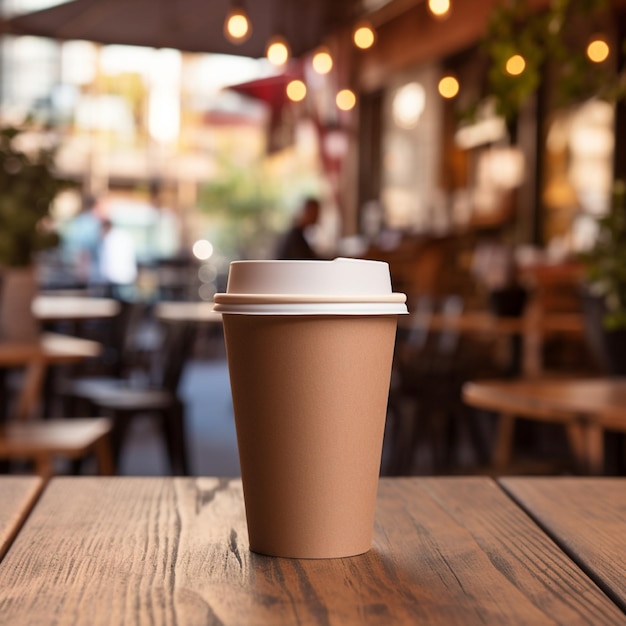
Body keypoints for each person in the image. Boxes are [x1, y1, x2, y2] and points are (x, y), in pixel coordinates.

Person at [98, 219, 138, 299]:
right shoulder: (123, 236)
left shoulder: (109, 239)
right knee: (127, 305)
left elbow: (109, 262)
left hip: (115, 279)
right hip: (127, 277)